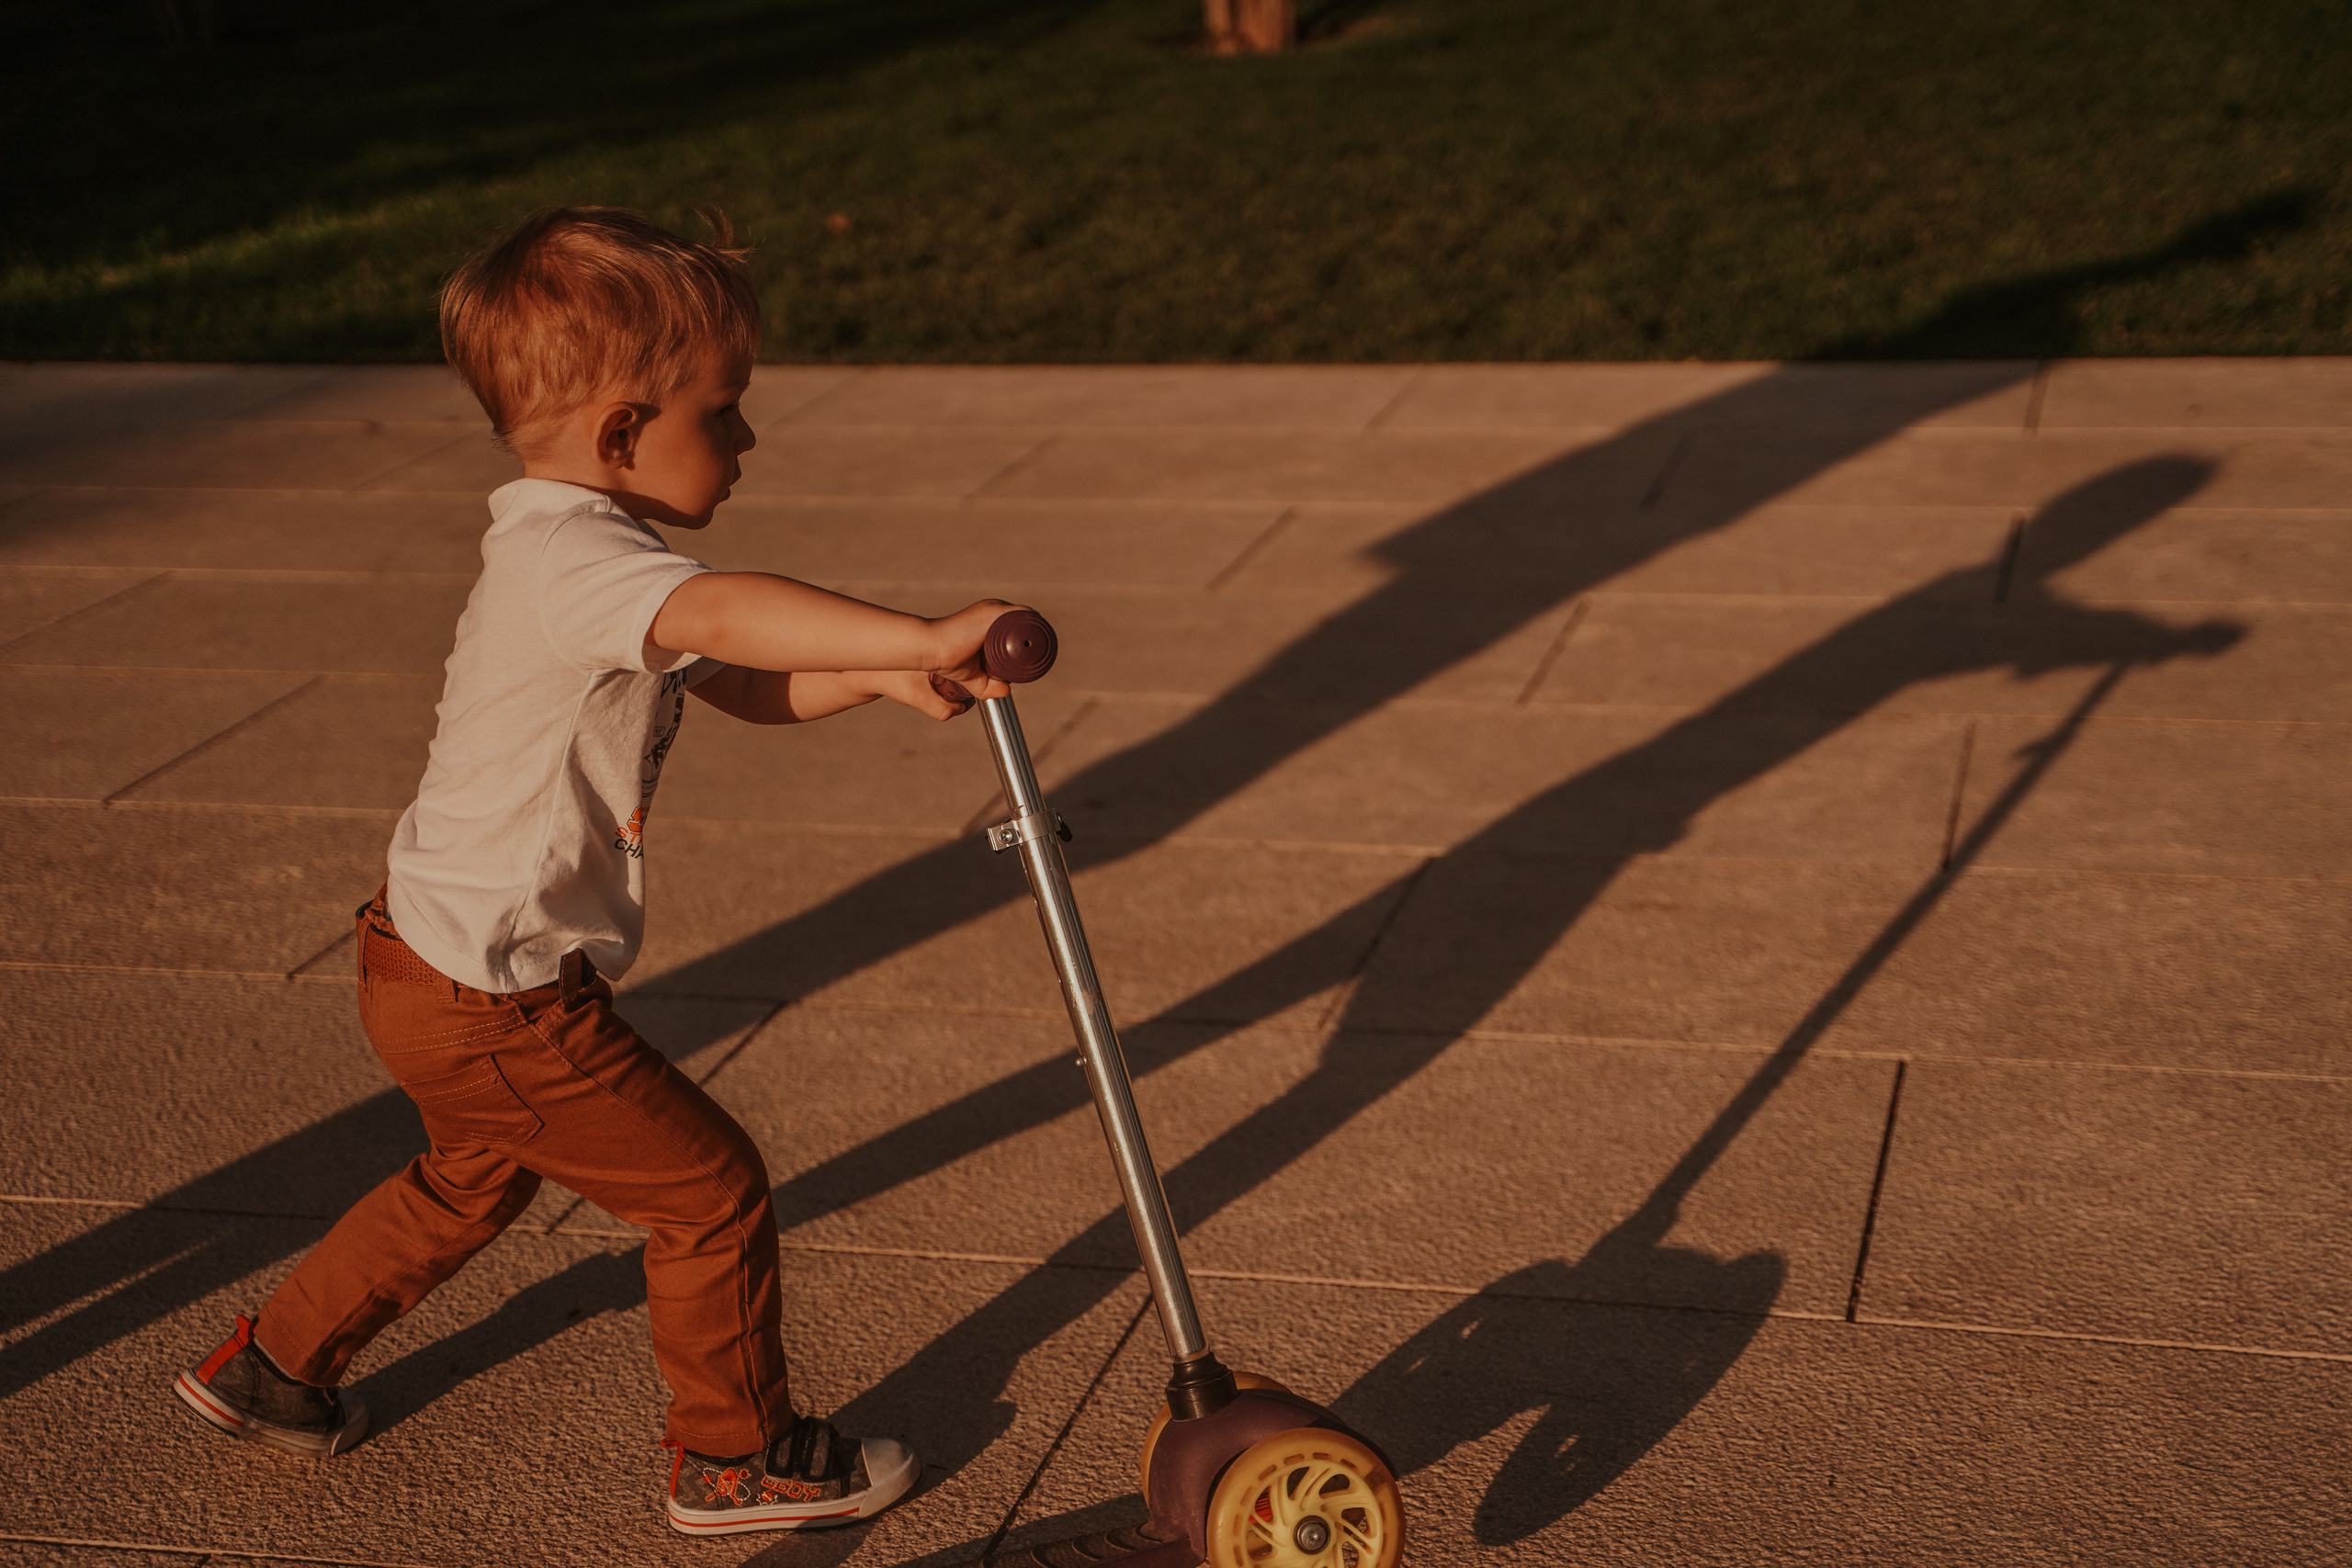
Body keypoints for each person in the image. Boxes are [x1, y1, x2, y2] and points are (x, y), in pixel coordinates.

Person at [169, 206, 1017, 1538]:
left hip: (423, 963)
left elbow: (732, 677)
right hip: (498, 999)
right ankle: (733, 1458)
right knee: (708, 1191)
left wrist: (882, 674)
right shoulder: (580, 561)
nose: (745, 439)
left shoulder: (573, 551)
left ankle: (273, 1365)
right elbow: (728, 613)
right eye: (724, 412)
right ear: (624, 432)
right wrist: (920, 623)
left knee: (470, 1179)